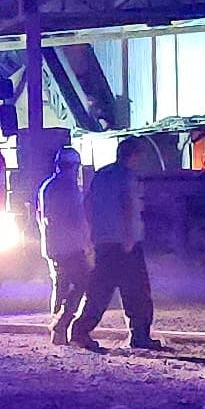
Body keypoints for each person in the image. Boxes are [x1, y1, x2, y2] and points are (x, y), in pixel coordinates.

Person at [67, 146, 155, 351]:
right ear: (133, 156)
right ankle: (139, 335)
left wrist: (92, 233)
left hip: (103, 242)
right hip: (125, 244)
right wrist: (129, 237)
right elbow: (127, 206)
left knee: (99, 290)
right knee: (137, 292)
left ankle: (79, 331)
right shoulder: (127, 176)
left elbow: (87, 204)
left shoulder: (101, 175)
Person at [33, 142, 92, 346]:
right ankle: (62, 323)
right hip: (70, 246)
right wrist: (88, 241)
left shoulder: (46, 187)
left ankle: (58, 333)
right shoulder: (70, 187)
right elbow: (78, 217)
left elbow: (39, 216)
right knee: (83, 282)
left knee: (60, 285)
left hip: (51, 245)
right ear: (74, 166)